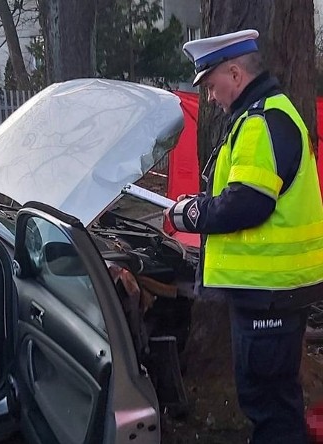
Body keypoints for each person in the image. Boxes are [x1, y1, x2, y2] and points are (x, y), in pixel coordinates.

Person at [164, 29, 323, 444]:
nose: (212, 98)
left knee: (268, 406)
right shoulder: (271, 114)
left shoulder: (260, 122)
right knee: (274, 400)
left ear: (235, 73)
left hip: (268, 292)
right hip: (274, 291)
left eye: (212, 86)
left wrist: (188, 213)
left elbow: (245, 205)